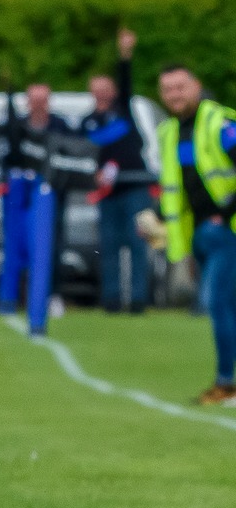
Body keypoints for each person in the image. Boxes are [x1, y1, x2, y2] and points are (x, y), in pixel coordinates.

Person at [152, 66, 236, 404]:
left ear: (196, 86)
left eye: (181, 87)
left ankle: (226, 383)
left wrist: (225, 214)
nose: (175, 95)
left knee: (217, 302)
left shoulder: (218, 123)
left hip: (227, 232)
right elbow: (179, 186)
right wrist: (160, 223)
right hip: (199, 236)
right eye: (168, 89)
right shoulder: (170, 132)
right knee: (226, 305)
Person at [85, 28, 151, 314]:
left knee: (138, 246)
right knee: (109, 248)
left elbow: (127, 81)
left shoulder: (123, 110)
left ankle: (138, 300)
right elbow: (85, 155)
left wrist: (125, 54)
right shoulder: (88, 122)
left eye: (105, 88)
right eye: (95, 89)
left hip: (134, 186)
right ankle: (111, 300)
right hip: (108, 193)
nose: (101, 93)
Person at [0, 81, 72, 322]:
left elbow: (69, 157)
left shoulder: (60, 125)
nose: (38, 105)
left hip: (49, 196)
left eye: (43, 100)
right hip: (20, 198)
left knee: (51, 245)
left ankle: (52, 295)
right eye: (34, 100)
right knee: (16, 246)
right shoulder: (18, 126)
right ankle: (13, 298)